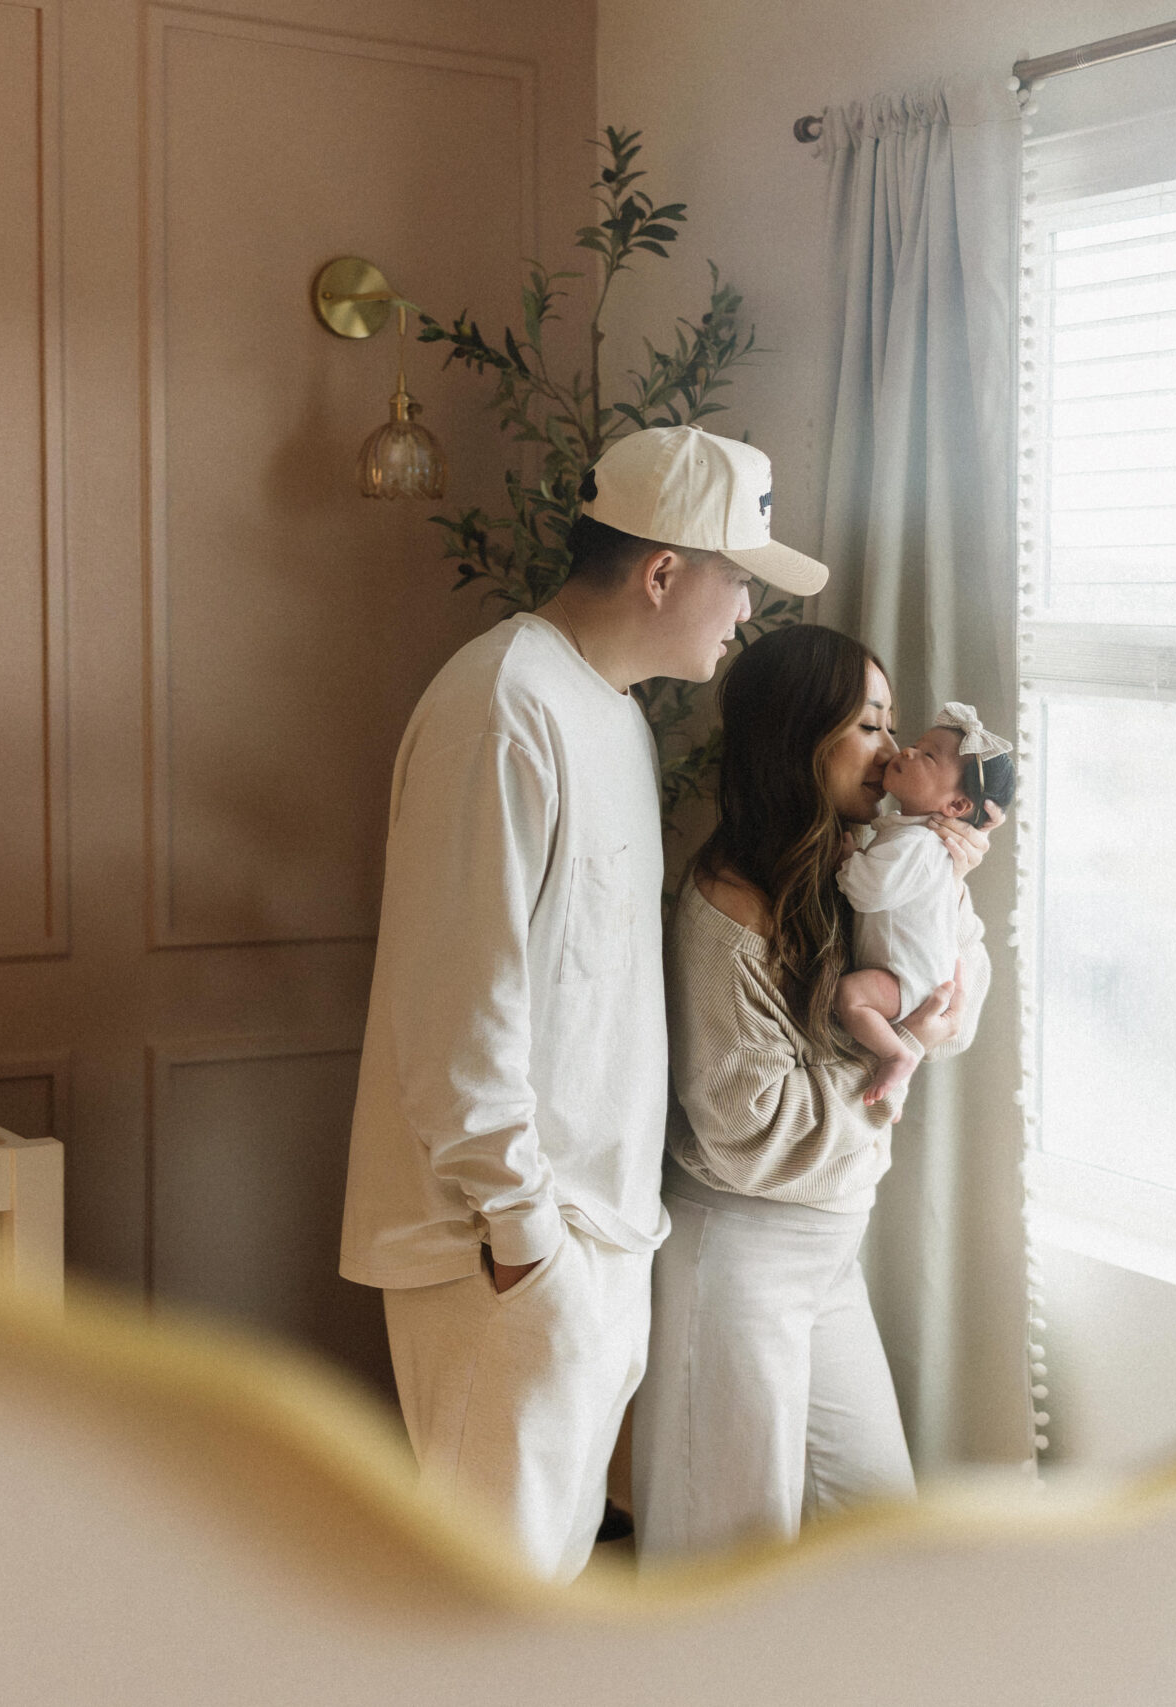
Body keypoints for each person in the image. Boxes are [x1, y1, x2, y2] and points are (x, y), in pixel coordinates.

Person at [337, 424, 830, 1584]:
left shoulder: (604, 708)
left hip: (590, 1235)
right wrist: (521, 1235)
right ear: (663, 572)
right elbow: (460, 999)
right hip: (506, 1245)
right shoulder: (502, 706)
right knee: (481, 1603)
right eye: (737, 581)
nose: (743, 614)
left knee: (539, 1588)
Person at [633, 625, 996, 1563]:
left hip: (831, 1248)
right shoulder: (725, 906)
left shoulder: (864, 865)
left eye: (890, 724)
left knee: (878, 1538)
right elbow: (750, 1126)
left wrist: (945, 894)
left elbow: (956, 996)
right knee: (726, 1560)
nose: (892, 749)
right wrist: (895, 1062)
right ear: (801, 734)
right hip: (740, 1252)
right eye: (869, 725)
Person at [834, 705, 1017, 1105]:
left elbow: (866, 891)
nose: (904, 751)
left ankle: (897, 1053)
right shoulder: (913, 836)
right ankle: (893, 1074)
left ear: (955, 807)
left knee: (849, 997)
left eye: (927, 756)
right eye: (916, 745)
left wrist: (848, 862)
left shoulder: (916, 842)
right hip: (916, 976)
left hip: (908, 981)